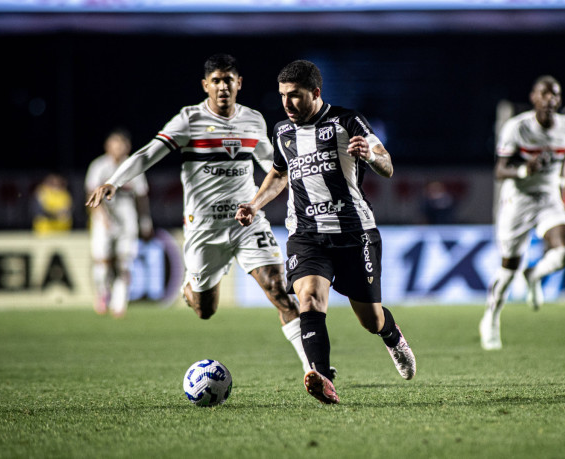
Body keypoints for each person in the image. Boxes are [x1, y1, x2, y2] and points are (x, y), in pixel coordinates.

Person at [85, 53, 311, 371]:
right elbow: (149, 152)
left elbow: (274, 166)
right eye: (216, 80)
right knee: (206, 310)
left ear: (239, 84)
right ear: (205, 85)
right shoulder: (189, 120)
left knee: (279, 289)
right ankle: (190, 288)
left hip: (247, 221)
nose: (222, 87)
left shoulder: (253, 120)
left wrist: (304, 183)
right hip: (204, 228)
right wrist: (114, 180)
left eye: (228, 80)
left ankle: (314, 369)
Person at [235, 60, 416, 404]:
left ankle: (392, 336)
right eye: (283, 96)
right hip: (306, 235)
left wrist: (371, 156)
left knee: (370, 318)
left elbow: (387, 164)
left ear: (316, 93)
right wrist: (255, 204)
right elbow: (278, 174)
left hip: (353, 233)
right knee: (309, 299)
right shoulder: (282, 132)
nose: (287, 104)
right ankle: (321, 375)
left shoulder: (346, 121)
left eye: (295, 96)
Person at [479, 75, 565, 351]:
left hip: (548, 198)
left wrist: (559, 182)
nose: (549, 100)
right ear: (534, 98)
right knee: (508, 270)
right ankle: (491, 317)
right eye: (544, 94)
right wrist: (525, 169)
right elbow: (500, 170)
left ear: (559, 100)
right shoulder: (517, 128)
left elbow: (562, 156)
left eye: (555, 95)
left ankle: (534, 275)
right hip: (518, 201)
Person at [85, 128, 153, 318]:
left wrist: (145, 222)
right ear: (108, 146)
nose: (118, 148)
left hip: (127, 219)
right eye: (115, 144)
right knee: (102, 263)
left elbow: (141, 197)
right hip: (103, 219)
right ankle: (102, 293)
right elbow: (91, 196)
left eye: (121, 144)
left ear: (127, 147)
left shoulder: (133, 166)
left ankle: (119, 303)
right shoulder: (98, 166)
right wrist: (102, 218)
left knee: (124, 262)